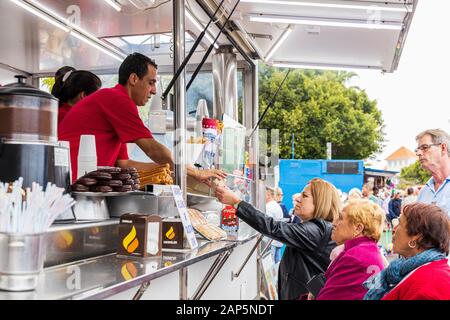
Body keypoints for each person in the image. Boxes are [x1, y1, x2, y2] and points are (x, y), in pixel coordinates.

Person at [59, 53, 225, 183]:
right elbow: (152, 149)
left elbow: (124, 164)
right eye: (151, 83)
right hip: (72, 182)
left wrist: (167, 171)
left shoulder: (115, 104)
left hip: (82, 182)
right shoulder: (117, 99)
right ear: (133, 79)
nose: (153, 91)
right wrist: (195, 172)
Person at [215, 178, 340, 300]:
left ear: (320, 202)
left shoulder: (317, 230)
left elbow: (274, 228)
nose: (297, 198)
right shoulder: (320, 229)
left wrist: (237, 202)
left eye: (305, 196)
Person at [363, 202, 450, 300]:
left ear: (416, 237)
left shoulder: (430, 284)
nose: (394, 229)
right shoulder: (408, 269)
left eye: (399, 224)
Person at [315, 199, 385, 300]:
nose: (334, 223)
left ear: (358, 228)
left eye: (340, 218)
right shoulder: (367, 251)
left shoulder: (355, 257)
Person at [415, 129, 450, 214]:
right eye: (417, 149)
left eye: (424, 148)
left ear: (443, 148)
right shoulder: (423, 192)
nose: (418, 153)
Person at [265, 187, 284, 263]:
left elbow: (266, 225)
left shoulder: (268, 207)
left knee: (271, 265)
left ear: (268, 195)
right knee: (276, 266)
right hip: (277, 241)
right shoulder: (276, 205)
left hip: (271, 243)